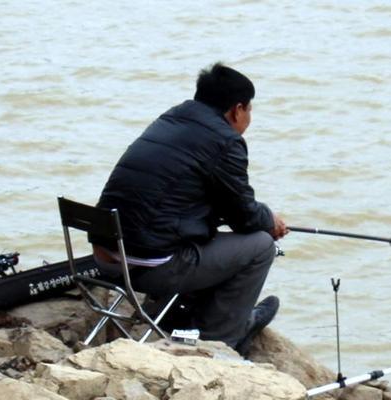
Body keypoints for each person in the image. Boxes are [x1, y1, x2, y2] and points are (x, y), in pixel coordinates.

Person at [89, 63, 288, 355]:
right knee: (260, 246)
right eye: (250, 110)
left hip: (105, 254)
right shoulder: (225, 141)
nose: (249, 117)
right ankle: (221, 339)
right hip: (146, 268)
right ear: (237, 109)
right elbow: (244, 216)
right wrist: (269, 219)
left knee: (204, 229)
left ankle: (178, 315)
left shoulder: (170, 119)